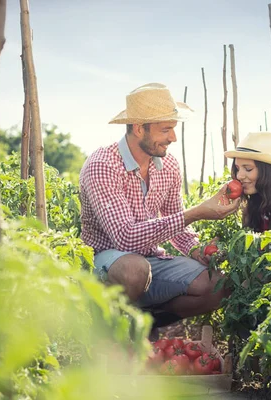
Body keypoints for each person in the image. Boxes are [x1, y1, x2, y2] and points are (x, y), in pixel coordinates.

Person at [79, 83, 240, 326]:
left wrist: (199, 250)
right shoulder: (103, 165)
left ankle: (148, 325)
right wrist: (197, 213)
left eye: (173, 129)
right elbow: (126, 238)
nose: (173, 138)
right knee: (134, 269)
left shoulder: (169, 166)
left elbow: (178, 226)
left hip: (149, 262)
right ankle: (105, 331)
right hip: (106, 262)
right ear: (138, 129)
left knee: (218, 285)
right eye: (166, 130)